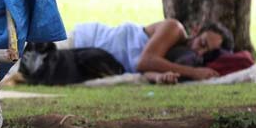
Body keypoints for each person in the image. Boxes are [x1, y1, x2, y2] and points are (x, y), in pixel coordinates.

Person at [56, 19, 234, 84]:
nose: (200, 52)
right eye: (202, 43)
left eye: (207, 53)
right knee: (32, 60)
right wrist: (195, 73)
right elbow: (144, 62)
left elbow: (145, 70)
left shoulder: (179, 59)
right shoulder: (174, 29)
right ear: (195, 31)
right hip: (87, 39)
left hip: (92, 60)